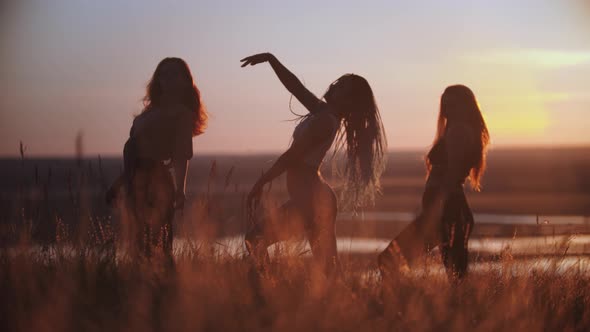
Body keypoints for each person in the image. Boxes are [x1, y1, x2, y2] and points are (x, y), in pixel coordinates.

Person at [240, 52, 387, 276]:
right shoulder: (322, 112)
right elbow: (295, 87)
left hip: (312, 201)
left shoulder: (326, 121)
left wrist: (261, 182)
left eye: (342, 87)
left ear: (348, 100)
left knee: (256, 239)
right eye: (338, 82)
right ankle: (273, 291)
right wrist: (271, 60)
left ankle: (268, 290)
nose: (334, 86)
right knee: (326, 267)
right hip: (313, 198)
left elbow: (292, 156)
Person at [378, 84, 490, 282]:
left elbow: (451, 175)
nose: (447, 110)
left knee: (390, 259)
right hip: (448, 209)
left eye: (453, 105)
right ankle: (420, 305)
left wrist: (435, 211)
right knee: (455, 273)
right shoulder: (458, 130)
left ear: (465, 106)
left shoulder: (458, 131)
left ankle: (399, 304)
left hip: (447, 210)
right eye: (445, 105)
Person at [106, 57, 207, 258]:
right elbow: (134, 153)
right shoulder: (148, 113)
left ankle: (165, 287)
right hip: (135, 180)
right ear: (157, 80)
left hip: (156, 183)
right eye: (163, 74)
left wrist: (180, 191)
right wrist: (119, 183)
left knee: (157, 247)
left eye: (174, 73)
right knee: (137, 247)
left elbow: (181, 155)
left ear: (185, 80)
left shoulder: (181, 114)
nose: (167, 78)